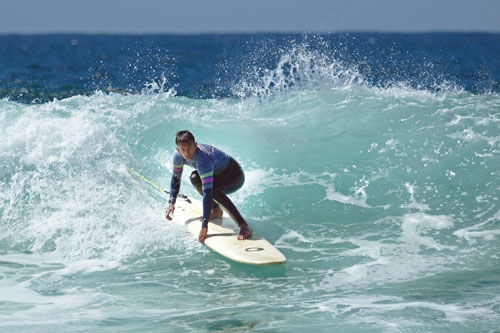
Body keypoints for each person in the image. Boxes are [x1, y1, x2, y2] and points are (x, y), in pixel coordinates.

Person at [165, 130, 252, 244]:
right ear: (178, 149)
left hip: (234, 175)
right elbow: (176, 178)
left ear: (195, 145)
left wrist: (204, 226)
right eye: (183, 150)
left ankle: (243, 225)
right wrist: (172, 202)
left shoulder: (203, 160)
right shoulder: (178, 156)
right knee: (195, 177)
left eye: (190, 148)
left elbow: (208, 193)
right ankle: (216, 210)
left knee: (213, 190)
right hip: (217, 174)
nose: (187, 153)